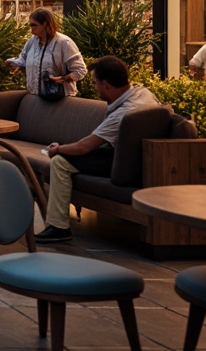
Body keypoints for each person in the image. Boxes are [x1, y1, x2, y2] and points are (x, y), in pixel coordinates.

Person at [37, 56, 159, 243]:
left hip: (122, 166)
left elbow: (85, 146)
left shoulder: (124, 114)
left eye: (95, 83)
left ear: (106, 85)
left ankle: (58, 226)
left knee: (60, 162)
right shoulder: (143, 94)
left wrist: (59, 149)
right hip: (141, 161)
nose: (95, 88)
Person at [6, 7, 86, 98]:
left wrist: (63, 79)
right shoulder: (32, 42)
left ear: (45, 24)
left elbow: (80, 70)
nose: (31, 29)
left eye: (34, 25)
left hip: (60, 100)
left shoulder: (64, 43)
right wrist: (14, 64)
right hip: (36, 98)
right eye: (30, 25)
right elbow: (22, 60)